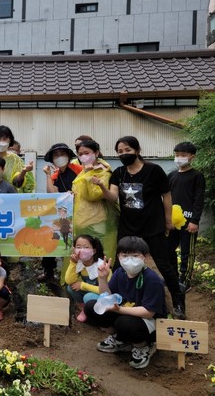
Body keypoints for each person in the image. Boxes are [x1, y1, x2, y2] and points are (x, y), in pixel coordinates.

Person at [94, 136, 186, 319]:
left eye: (127, 150)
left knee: (164, 265)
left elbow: (166, 195)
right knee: (121, 264)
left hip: (152, 226)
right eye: (120, 151)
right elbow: (113, 197)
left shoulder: (154, 171)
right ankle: (117, 300)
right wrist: (101, 187)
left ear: (137, 150)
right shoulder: (119, 173)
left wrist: (168, 220)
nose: (123, 154)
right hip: (128, 226)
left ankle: (178, 301)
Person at [84, 236, 167, 370]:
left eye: (135, 255)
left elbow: (148, 311)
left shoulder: (152, 280)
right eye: (125, 255)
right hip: (124, 313)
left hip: (150, 322)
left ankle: (144, 346)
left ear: (145, 257)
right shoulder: (120, 272)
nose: (130, 260)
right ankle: (120, 340)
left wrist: (119, 310)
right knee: (91, 307)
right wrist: (103, 278)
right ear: (119, 256)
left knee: (124, 322)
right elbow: (107, 296)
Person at [40, 142, 82, 281]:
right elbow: (52, 193)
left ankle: (79, 272)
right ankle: (49, 271)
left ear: (69, 156)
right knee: (50, 236)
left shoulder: (79, 169)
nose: (59, 157)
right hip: (64, 213)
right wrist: (48, 175)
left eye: (62, 154)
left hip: (80, 213)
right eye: (56, 155)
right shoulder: (56, 175)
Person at [165, 142, 205, 290]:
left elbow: (199, 199)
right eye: (177, 155)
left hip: (189, 222)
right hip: (172, 222)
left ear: (191, 157)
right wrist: (166, 218)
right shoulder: (171, 176)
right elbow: (166, 198)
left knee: (187, 252)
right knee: (169, 249)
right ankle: (173, 277)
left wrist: (195, 220)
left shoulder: (197, 176)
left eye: (183, 155)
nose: (179, 158)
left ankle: (185, 280)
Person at [72, 139, 119, 261]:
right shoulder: (83, 171)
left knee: (97, 253)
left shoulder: (103, 171)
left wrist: (88, 174)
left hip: (97, 219)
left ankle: (101, 278)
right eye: (80, 154)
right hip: (82, 219)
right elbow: (80, 192)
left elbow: (93, 195)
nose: (83, 156)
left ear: (96, 153)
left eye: (86, 153)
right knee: (83, 254)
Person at [65, 235, 111, 323]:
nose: (82, 250)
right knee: (70, 287)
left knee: (88, 296)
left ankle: (96, 315)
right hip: (91, 292)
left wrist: (83, 285)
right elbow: (69, 280)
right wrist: (73, 263)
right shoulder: (79, 263)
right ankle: (85, 309)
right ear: (74, 249)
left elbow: (106, 292)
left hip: (104, 296)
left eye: (86, 247)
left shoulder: (102, 266)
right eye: (78, 247)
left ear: (93, 251)